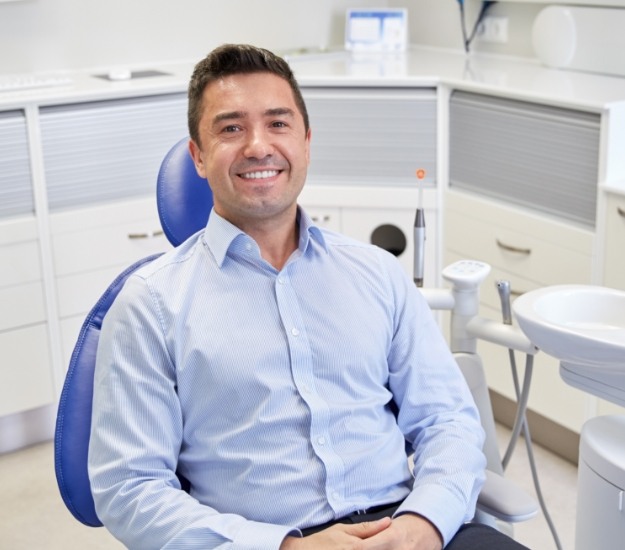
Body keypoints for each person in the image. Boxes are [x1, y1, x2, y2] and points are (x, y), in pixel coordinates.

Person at [88, 44, 529, 550]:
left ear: (306, 141)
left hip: (406, 527)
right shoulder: (150, 305)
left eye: (278, 123)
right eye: (230, 128)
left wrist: (426, 522)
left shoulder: (377, 274)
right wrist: (286, 547)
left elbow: (446, 420)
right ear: (199, 156)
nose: (258, 145)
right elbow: (130, 487)